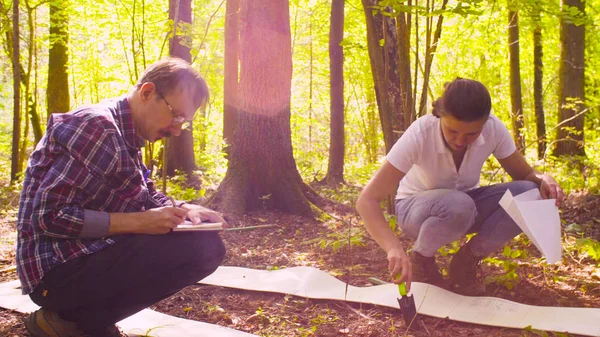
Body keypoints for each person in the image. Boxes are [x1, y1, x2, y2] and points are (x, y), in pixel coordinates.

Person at [16, 57, 227, 337]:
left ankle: (81, 323)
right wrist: (141, 223)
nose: (176, 130)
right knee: (199, 248)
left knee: (206, 246)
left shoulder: (128, 137)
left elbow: (145, 195)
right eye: (176, 116)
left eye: (183, 122)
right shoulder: (96, 127)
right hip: (53, 270)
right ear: (148, 92)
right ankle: (66, 318)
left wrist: (185, 209)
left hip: (83, 256)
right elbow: (48, 217)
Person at [356, 78, 564, 296]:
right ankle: (421, 259)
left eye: (471, 134)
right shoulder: (420, 133)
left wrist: (544, 178)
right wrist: (393, 248)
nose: (460, 140)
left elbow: (526, 176)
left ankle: (466, 262)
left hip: (464, 206)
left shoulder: (493, 129)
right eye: (452, 131)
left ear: (485, 123)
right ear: (440, 116)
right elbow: (366, 200)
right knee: (459, 204)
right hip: (413, 210)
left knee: (530, 193)